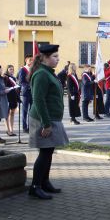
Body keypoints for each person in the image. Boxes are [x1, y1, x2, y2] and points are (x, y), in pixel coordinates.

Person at [28, 44, 69, 200]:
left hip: (50, 118)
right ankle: (35, 186)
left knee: (48, 152)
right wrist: (46, 124)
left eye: (57, 56)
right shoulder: (41, 74)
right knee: (44, 153)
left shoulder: (48, 73)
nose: (58, 59)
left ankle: (44, 182)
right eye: (54, 57)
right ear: (45, 58)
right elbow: (38, 100)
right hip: (43, 120)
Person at [18, 55, 33, 133]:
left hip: (33, 92)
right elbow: (21, 82)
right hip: (26, 92)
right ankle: (24, 127)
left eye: (32, 60)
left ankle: (31, 126)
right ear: (26, 61)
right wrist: (29, 86)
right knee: (25, 110)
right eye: (30, 60)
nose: (31, 61)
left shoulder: (33, 69)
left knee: (32, 110)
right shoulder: (23, 69)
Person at [4, 65, 19, 136]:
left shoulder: (13, 77)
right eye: (10, 69)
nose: (12, 71)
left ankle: (12, 129)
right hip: (7, 96)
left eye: (13, 69)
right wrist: (11, 87)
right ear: (7, 70)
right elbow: (3, 87)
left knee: (12, 113)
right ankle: (8, 130)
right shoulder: (5, 77)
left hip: (13, 96)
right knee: (7, 114)